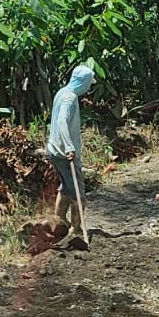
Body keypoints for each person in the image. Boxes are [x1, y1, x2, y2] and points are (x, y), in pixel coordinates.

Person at [46, 64, 96, 235]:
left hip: (54, 150)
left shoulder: (62, 92)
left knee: (66, 188)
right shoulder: (70, 98)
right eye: (88, 84)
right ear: (83, 82)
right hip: (64, 152)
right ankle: (76, 228)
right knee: (78, 193)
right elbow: (62, 121)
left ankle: (59, 221)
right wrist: (69, 147)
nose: (88, 88)